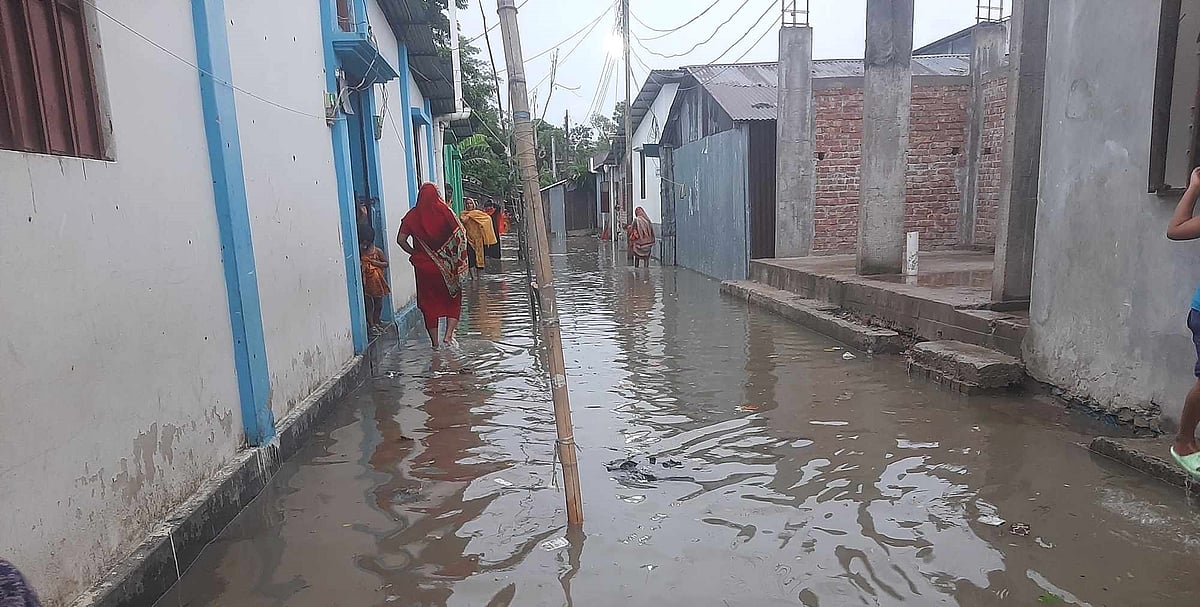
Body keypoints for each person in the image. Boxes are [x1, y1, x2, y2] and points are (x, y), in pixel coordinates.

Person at [398, 183, 468, 349]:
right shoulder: (445, 212)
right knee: (453, 299)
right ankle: (449, 336)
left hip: (423, 269)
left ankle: (435, 344)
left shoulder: (412, 216)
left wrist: (414, 253)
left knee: (429, 304)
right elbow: (460, 235)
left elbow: (400, 240)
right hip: (447, 268)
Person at [461, 197, 498, 281]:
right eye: (467, 203)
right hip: (468, 239)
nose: (469, 205)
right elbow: (464, 221)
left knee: (479, 258)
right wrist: (470, 215)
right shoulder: (464, 214)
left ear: (473, 204)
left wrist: (484, 229)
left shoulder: (478, 213)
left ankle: (479, 279)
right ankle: (473, 278)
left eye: (470, 203)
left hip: (479, 240)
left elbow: (488, 219)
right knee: (471, 258)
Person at [360, 235, 390, 335]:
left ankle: (377, 321)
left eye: (366, 243)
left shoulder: (377, 251)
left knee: (379, 304)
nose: (364, 245)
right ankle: (371, 325)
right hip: (366, 282)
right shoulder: (360, 252)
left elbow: (385, 263)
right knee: (369, 305)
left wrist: (374, 263)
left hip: (377, 282)